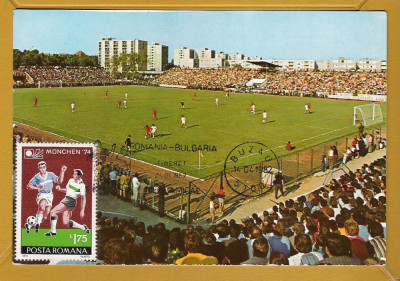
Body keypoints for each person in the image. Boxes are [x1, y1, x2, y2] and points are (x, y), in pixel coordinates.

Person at [25, 161, 67, 234]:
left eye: (44, 167)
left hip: (50, 195)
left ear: (46, 167)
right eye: (41, 168)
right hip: (42, 195)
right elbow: (28, 186)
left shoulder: (51, 175)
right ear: (38, 168)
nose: (42, 169)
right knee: (42, 206)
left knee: (45, 216)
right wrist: (39, 188)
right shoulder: (37, 177)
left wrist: (62, 172)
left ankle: (32, 224)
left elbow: (59, 181)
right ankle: (38, 224)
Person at [45, 169, 90, 236]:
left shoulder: (82, 186)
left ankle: (53, 232)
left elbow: (83, 198)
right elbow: (68, 190)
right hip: (66, 199)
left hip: (71, 201)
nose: (73, 175)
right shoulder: (71, 180)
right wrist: (60, 189)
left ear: (79, 176)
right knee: (66, 223)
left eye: (75, 174)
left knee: (53, 212)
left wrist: (82, 210)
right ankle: (83, 227)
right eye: (73, 174)